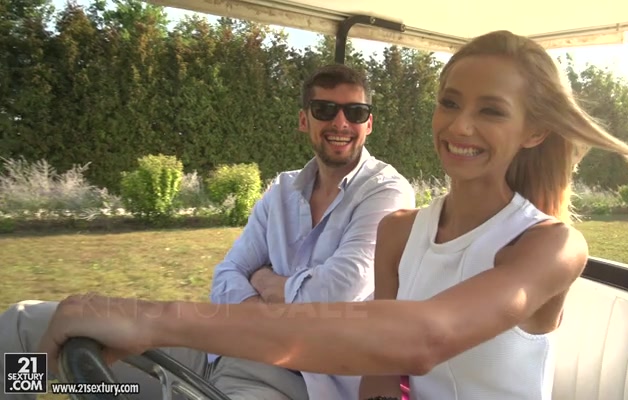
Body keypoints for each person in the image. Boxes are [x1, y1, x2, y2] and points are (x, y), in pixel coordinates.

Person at [34, 30, 628, 400]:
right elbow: (381, 382)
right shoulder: (400, 231)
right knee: (35, 343)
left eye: (491, 111)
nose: (460, 126)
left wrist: (150, 319)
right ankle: (34, 377)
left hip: (287, 374)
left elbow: (423, 339)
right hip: (253, 355)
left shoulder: (551, 245)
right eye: (450, 102)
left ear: (534, 132)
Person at [0, 64, 415, 400]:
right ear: (304, 120)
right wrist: (267, 308)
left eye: (355, 112)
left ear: (368, 123)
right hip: (215, 346)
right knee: (21, 326)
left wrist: (264, 280)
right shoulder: (282, 190)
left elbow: (336, 293)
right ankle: (22, 390)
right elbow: (226, 275)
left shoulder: (386, 191)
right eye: (325, 109)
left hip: (293, 377)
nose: (341, 122)